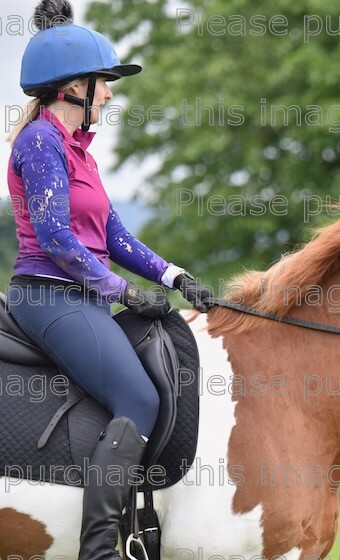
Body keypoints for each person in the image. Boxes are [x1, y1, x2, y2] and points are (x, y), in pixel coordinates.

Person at [6, 1, 212, 558]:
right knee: (139, 398)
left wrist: (176, 276)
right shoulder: (40, 143)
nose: (112, 94)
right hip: (49, 297)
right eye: (105, 84)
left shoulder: (82, 153)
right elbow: (55, 239)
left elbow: (115, 236)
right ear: (75, 86)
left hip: (85, 296)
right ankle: (100, 549)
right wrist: (121, 291)